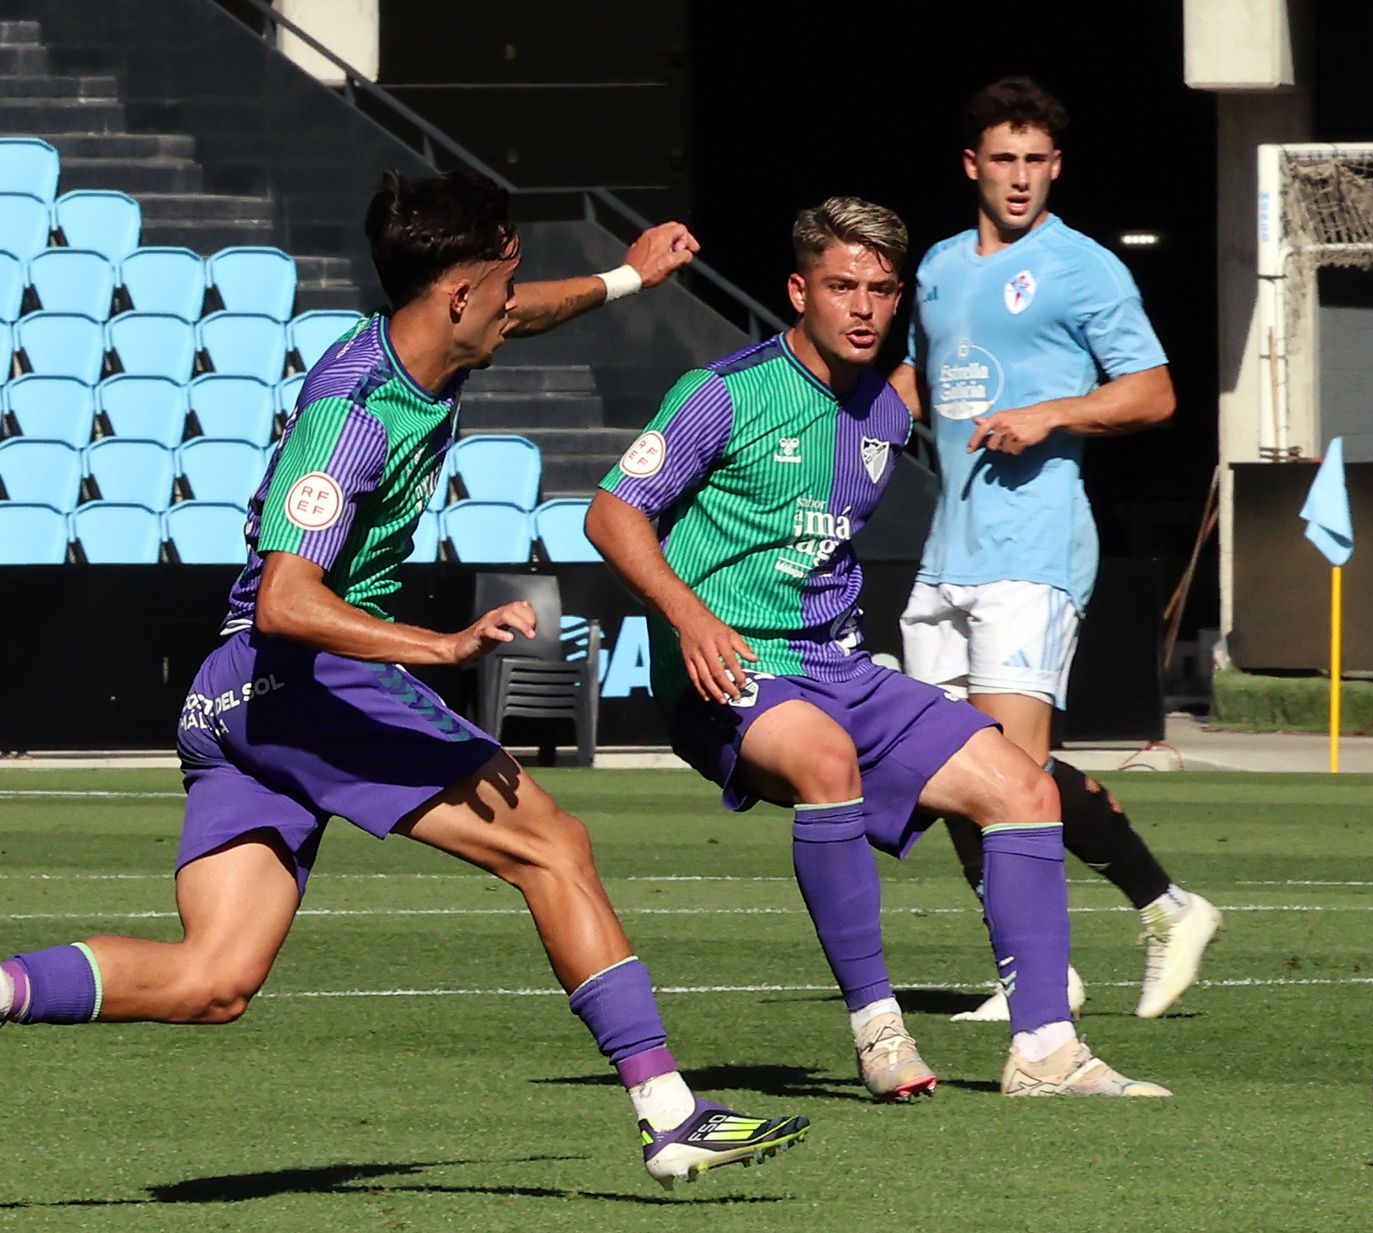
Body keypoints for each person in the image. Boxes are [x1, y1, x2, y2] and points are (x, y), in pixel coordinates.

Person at [0, 169, 808, 1191]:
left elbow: (528, 315)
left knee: (212, 980)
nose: (518, 299)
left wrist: (625, 279)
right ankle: (670, 1114)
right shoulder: (355, 414)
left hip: (236, 693)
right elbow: (289, 599)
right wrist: (442, 648)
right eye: (504, 283)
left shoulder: (440, 336)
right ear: (460, 294)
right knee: (552, 845)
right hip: (306, 677)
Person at [587, 195, 1170, 1102]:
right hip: (734, 668)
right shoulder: (724, 393)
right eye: (841, 286)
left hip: (844, 667)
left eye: (881, 289)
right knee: (824, 758)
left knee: (1021, 784)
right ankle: (877, 1025)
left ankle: (1046, 1052)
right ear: (799, 289)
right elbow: (610, 513)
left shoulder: (889, 409)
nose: (862, 305)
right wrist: (691, 618)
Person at [889, 76, 1220, 1021]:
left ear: (1056, 166)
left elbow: (1153, 392)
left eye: (1037, 161)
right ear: (973, 165)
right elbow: (922, 372)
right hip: (944, 549)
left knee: (1006, 772)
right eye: (1005, 159)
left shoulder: (1085, 268)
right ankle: (1038, 968)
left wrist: (1053, 413)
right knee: (944, 775)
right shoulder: (944, 266)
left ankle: (1166, 907)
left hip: (1032, 548)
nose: (1021, 177)